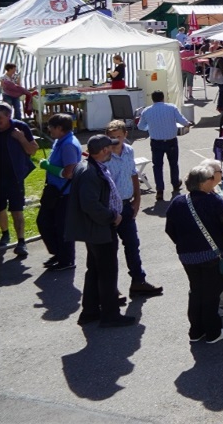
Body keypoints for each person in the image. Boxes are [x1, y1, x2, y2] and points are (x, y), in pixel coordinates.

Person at [164, 163, 223, 344]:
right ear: (203, 182)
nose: (214, 180)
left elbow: (170, 229)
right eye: (211, 178)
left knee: (196, 291)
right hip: (212, 255)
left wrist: (183, 244)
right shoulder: (214, 202)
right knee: (212, 293)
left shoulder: (178, 202)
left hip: (187, 256)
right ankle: (213, 332)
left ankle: (196, 331)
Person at [66, 135, 135, 327]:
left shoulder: (88, 166)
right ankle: (110, 314)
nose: (112, 150)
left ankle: (90, 311)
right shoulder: (90, 172)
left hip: (96, 229)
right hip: (100, 229)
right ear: (104, 150)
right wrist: (113, 217)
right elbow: (90, 204)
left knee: (95, 270)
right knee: (107, 272)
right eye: (110, 148)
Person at [104, 120, 163, 297]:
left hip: (126, 205)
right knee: (109, 249)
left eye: (118, 137)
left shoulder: (129, 151)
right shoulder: (104, 155)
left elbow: (133, 174)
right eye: (111, 137)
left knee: (132, 245)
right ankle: (110, 290)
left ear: (125, 136)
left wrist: (137, 199)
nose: (115, 141)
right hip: (109, 209)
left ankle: (138, 281)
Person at [39, 113, 81, 270]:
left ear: (60, 128)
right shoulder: (59, 141)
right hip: (55, 191)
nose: (49, 129)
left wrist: (48, 167)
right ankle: (58, 254)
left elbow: (69, 172)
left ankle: (67, 260)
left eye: (51, 127)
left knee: (62, 226)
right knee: (46, 222)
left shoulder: (68, 145)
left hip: (64, 193)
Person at [137, 90, 191, 202]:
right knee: (173, 163)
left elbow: (141, 127)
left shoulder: (146, 111)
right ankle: (175, 183)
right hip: (171, 140)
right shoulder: (171, 108)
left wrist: (150, 127)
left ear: (152, 99)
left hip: (156, 141)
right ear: (163, 98)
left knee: (157, 166)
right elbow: (183, 120)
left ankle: (160, 190)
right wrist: (188, 124)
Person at [0, 103, 36, 257]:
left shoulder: (20, 127)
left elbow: (33, 150)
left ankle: (21, 242)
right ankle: (5, 234)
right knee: (0, 209)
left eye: (0, 118)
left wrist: (21, 138)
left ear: (9, 116)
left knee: (17, 210)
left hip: (15, 177)